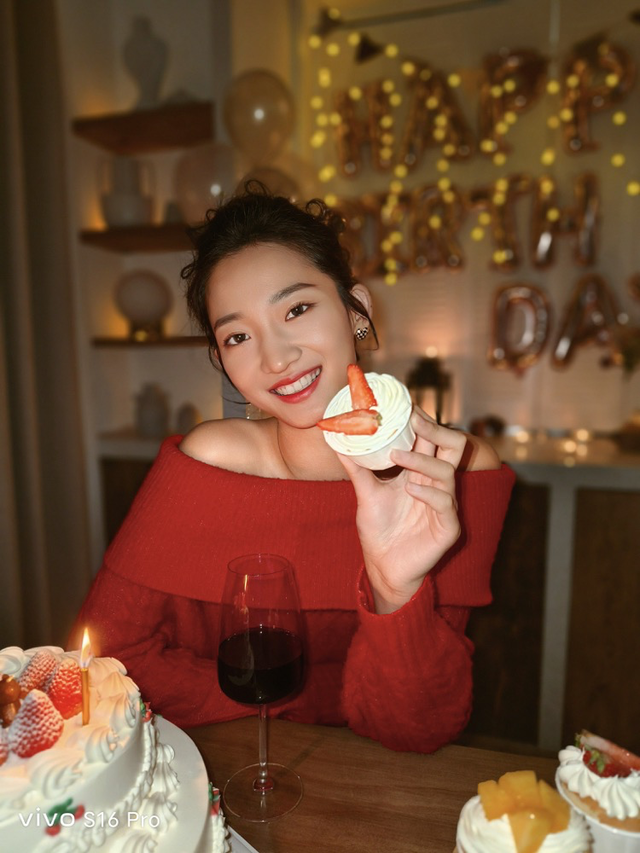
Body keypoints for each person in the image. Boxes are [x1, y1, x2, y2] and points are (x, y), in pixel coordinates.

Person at [72, 184, 515, 753]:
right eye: (238, 336)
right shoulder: (206, 464)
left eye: (297, 309)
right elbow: (104, 668)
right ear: (222, 361)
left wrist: (394, 589)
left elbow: (418, 728)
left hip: (364, 787)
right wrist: (312, 696)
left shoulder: (458, 472)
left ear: (355, 310)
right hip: (211, 769)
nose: (276, 357)